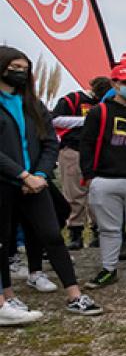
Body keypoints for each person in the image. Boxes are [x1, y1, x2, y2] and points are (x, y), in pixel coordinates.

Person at [0, 48, 92, 317]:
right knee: (3, 240)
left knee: (52, 234)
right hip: (5, 182)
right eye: (14, 67)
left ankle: (74, 294)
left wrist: (38, 175)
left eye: (25, 67)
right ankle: (8, 296)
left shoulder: (34, 105)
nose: (21, 73)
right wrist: (21, 174)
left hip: (36, 182)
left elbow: (51, 142)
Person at [79, 63, 126, 290]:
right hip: (105, 178)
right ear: (115, 84)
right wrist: (89, 175)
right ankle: (108, 269)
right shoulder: (99, 112)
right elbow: (87, 143)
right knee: (108, 229)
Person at [51, 76, 110, 250]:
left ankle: (98, 231)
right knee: (74, 194)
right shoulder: (73, 99)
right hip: (73, 150)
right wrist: (87, 120)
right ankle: (75, 233)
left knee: (97, 194)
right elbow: (54, 120)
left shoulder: (106, 103)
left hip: (97, 153)